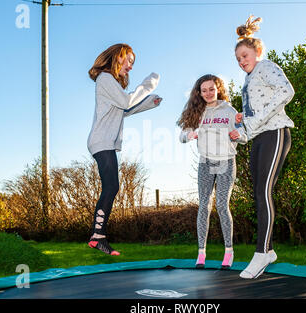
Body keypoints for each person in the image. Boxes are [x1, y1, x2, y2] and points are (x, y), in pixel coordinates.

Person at [233, 15, 295, 279]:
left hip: (276, 132)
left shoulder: (266, 66)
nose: (241, 61)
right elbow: (253, 122)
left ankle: (262, 252)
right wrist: (241, 132)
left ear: (257, 52)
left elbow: (286, 91)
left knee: (263, 190)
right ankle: (267, 251)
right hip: (259, 137)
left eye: (245, 56)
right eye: (238, 59)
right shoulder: (247, 83)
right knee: (258, 193)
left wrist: (256, 119)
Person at [87, 43, 162, 255]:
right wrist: (149, 85)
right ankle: (97, 235)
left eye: (132, 63)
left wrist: (149, 103)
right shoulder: (105, 78)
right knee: (111, 187)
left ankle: (98, 236)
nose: (130, 66)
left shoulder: (110, 84)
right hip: (101, 140)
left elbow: (124, 109)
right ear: (116, 57)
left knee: (111, 187)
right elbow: (126, 101)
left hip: (105, 142)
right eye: (127, 60)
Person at [177, 74, 247, 269]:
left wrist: (238, 134)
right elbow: (181, 135)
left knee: (222, 205)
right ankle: (201, 253)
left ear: (218, 89)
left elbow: (244, 135)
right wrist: (188, 135)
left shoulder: (229, 110)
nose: (208, 93)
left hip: (226, 161)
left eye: (211, 89)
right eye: (204, 90)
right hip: (206, 162)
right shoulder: (197, 112)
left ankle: (229, 252)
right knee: (204, 206)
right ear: (199, 92)